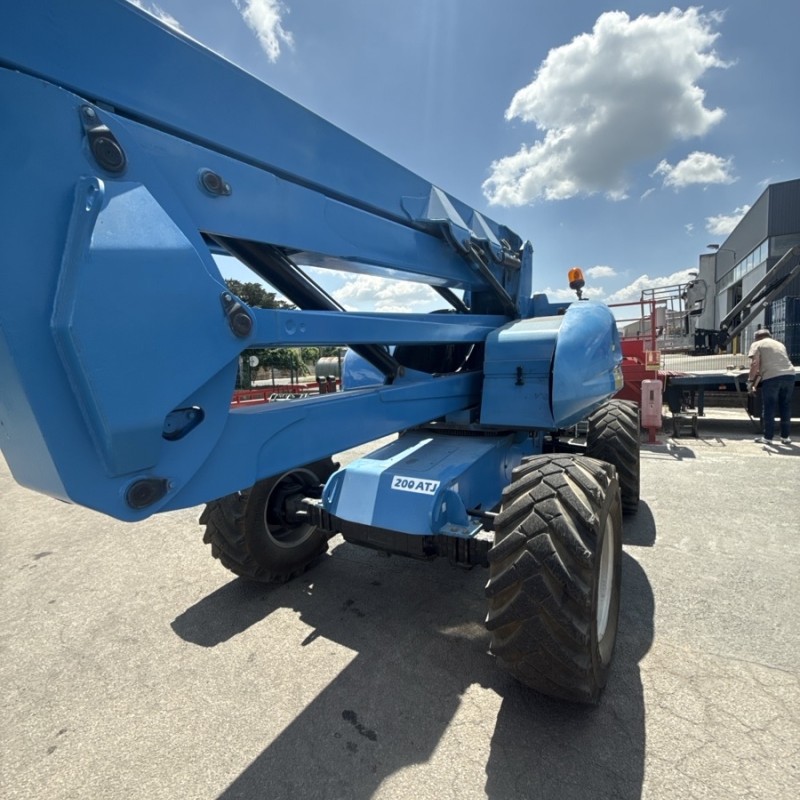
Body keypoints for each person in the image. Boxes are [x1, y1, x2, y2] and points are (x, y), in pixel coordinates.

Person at [747, 328, 796, 444]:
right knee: (785, 406)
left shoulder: (757, 344)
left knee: (769, 407)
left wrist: (750, 381)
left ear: (757, 337)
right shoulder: (779, 344)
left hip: (772, 378)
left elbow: (755, 364)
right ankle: (785, 437)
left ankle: (768, 438)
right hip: (789, 375)